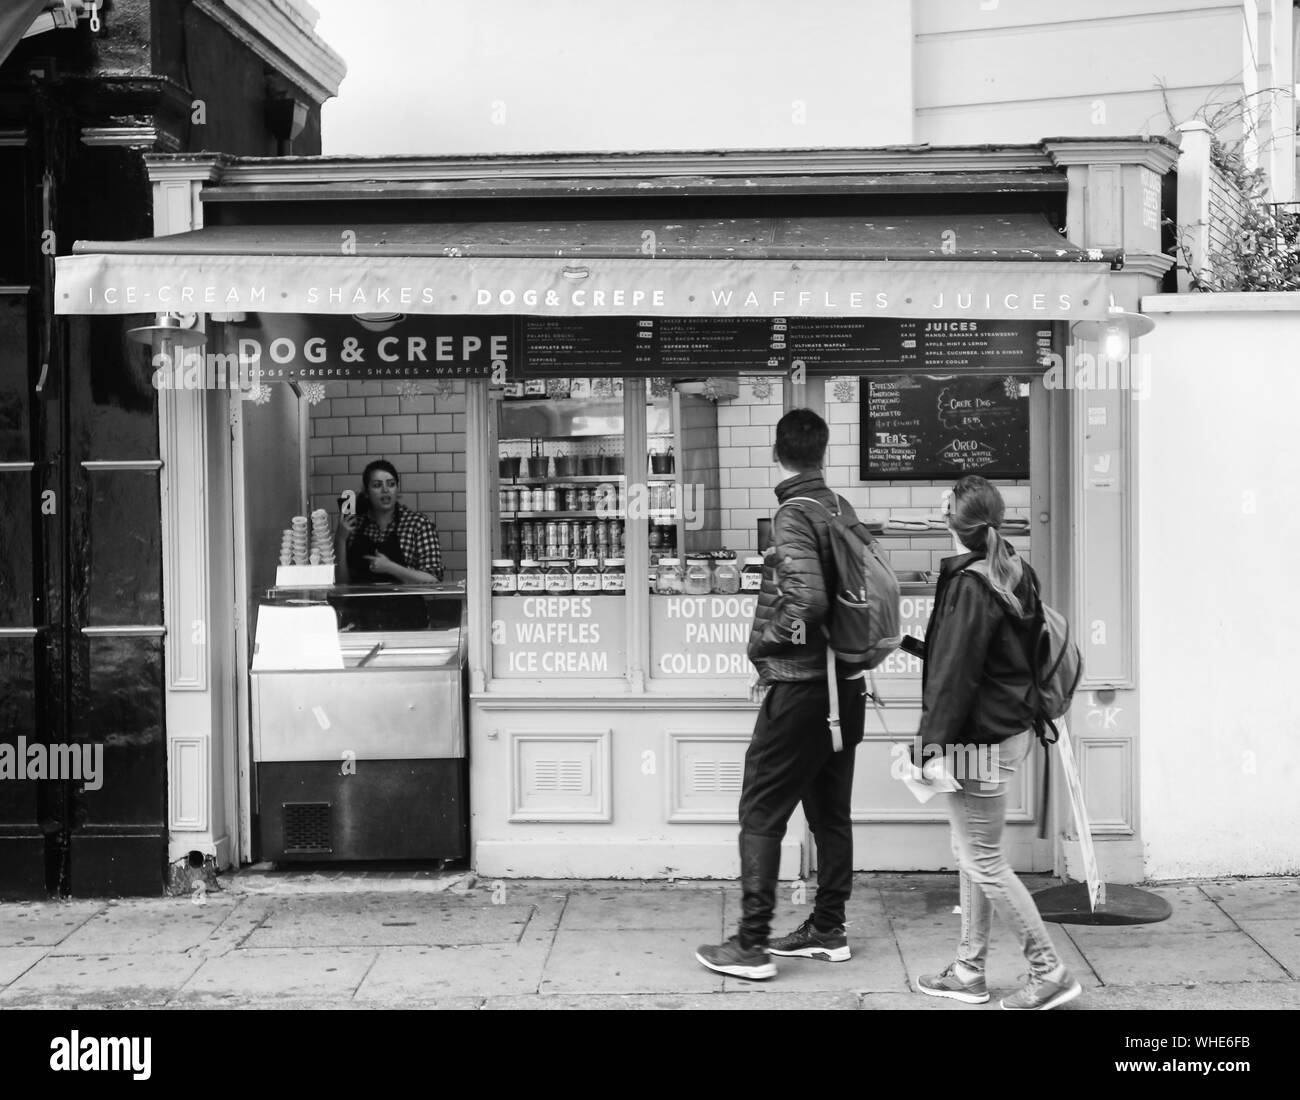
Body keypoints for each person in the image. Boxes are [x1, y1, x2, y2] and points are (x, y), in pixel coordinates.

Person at [695, 408, 869, 981]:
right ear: (824, 452)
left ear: (777, 451)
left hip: (801, 690)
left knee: (761, 812)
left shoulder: (794, 514)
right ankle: (827, 928)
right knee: (830, 813)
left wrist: (770, 639)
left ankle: (750, 944)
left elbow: (809, 603)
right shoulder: (839, 508)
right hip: (847, 686)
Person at [911, 474, 1083, 1011]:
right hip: (1005, 732)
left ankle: (1049, 970)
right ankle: (968, 969)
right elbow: (992, 661)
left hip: (979, 739)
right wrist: (917, 646)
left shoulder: (970, 582)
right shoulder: (1012, 568)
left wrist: (928, 748)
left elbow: (955, 677)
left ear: (952, 525)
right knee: (973, 854)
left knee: (984, 860)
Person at [334, 459, 444, 585]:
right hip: (359, 604)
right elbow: (341, 585)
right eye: (377, 485)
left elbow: (433, 579)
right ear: (366, 493)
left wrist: (391, 567)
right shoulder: (353, 526)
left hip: (405, 604)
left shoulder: (418, 524)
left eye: (391, 484)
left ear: (397, 489)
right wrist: (340, 539)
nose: (385, 490)